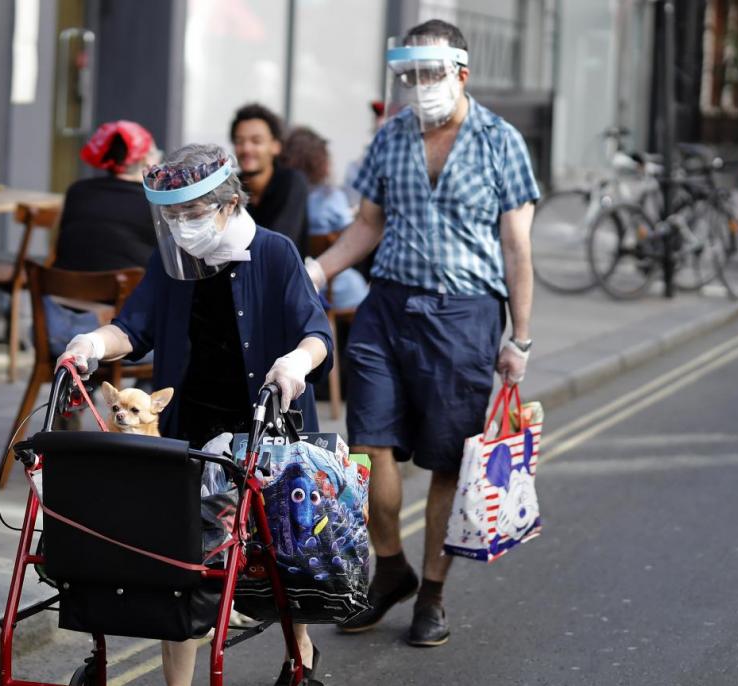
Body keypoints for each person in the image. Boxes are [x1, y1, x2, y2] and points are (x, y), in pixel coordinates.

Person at [58, 143, 332, 686]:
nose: (182, 227)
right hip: (191, 432)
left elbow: (317, 333)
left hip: (267, 429)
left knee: (279, 563)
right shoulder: (171, 263)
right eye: (172, 216)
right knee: (179, 571)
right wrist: (91, 342)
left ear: (230, 204)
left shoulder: (275, 253)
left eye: (192, 213)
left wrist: (298, 361)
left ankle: (299, 656)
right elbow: (133, 329)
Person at [307, 19, 538, 647]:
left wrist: (518, 339)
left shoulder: (502, 142)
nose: (419, 86)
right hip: (388, 308)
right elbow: (367, 225)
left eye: (430, 73)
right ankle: (390, 570)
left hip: (466, 317)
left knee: (444, 461)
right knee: (369, 444)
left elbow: (517, 249)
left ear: (461, 73)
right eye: (409, 75)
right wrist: (318, 269)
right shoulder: (392, 137)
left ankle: (432, 592)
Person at [48, 120, 162, 354]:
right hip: (118, 338)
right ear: (145, 160)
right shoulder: (155, 203)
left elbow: (54, 246)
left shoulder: (76, 191)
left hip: (54, 329)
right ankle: (146, 390)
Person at [280, 125, 369, 309]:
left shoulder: (284, 196)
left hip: (293, 277)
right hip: (333, 283)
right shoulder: (331, 198)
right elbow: (354, 235)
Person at [229, 103, 309, 258]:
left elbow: (278, 245)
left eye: (256, 141)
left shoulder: (292, 182)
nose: (246, 149)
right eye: (239, 141)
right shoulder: (229, 188)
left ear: (276, 146)